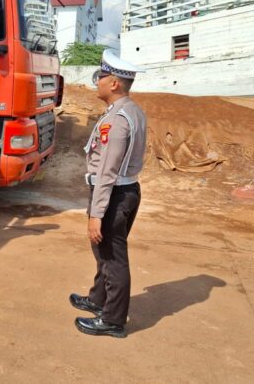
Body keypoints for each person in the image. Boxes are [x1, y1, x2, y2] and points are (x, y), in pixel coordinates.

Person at [70, 49, 147, 338]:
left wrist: (96, 214)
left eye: (101, 76)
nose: (97, 81)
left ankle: (113, 320)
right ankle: (98, 299)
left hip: (114, 193)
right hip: (125, 190)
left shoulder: (118, 119)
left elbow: (107, 172)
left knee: (113, 257)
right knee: (104, 252)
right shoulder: (130, 110)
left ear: (114, 83)